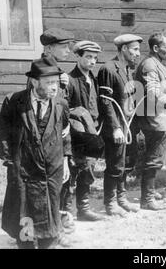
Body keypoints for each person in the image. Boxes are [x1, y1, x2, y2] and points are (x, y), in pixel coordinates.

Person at [0, 56, 72, 249]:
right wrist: (10, 160)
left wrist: (64, 161)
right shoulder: (14, 101)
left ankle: (49, 244)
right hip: (24, 170)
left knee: (50, 215)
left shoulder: (61, 104)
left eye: (56, 82)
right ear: (35, 82)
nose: (54, 87)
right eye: (49, 83)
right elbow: (2, 132)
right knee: (24, 215)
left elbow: (65, 135)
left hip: (51, 170)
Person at [98, 34, 143, 216]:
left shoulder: (127, 69)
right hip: (115, 126)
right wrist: (116, 127)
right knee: (115, 164)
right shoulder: (108, 69)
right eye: (135, 49)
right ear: (124, 49)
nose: (138, 54)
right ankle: (110, 203)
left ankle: (122, 199)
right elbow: (106, 102)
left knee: (125, 163)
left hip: (127, 123)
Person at [60, 40, 105, 222]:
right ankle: (67, 211)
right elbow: (65, 108)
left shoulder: (93, 79)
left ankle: (84, 208)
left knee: (89, 168)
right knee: (74, 169)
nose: (92, 61)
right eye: (88, 57)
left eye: (95, 58)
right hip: (77, 132)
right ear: (78, 57)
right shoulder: (69, 80)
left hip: (93, 129)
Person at [135, 32, 166, 210]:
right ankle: (147, 199)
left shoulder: (157, 63)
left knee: (156, 156)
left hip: (160, 116)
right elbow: (152, 94)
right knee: (153, 157)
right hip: (153, 118)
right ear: (155, 48)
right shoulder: (150, 66)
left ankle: (149, 192)